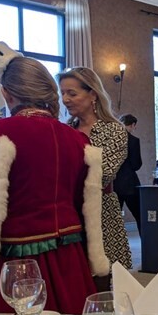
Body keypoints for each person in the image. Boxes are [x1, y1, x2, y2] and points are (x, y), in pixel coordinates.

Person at [0, 41, 108, 314]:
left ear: (7, 94)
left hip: (15, 264)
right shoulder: (78, 140)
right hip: (70, 258)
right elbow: (85, 202)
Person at [59, 67, 132, 287]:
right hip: (67, 214)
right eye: (62, 93)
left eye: (72, 93)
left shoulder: (114, 130)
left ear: (92, 94)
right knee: (71, 281)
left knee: (101, 283)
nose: (65, 99)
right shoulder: (63, 130)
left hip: (102, 213)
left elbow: (104, 174)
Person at [114, 114, 142, 234]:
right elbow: (136, 165)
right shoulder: (133, 141)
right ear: (133, 125)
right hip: (130, 184)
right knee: (139, 216)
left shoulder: (112, 139)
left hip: (114, 184)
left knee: (114, 220)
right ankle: (146, 242)